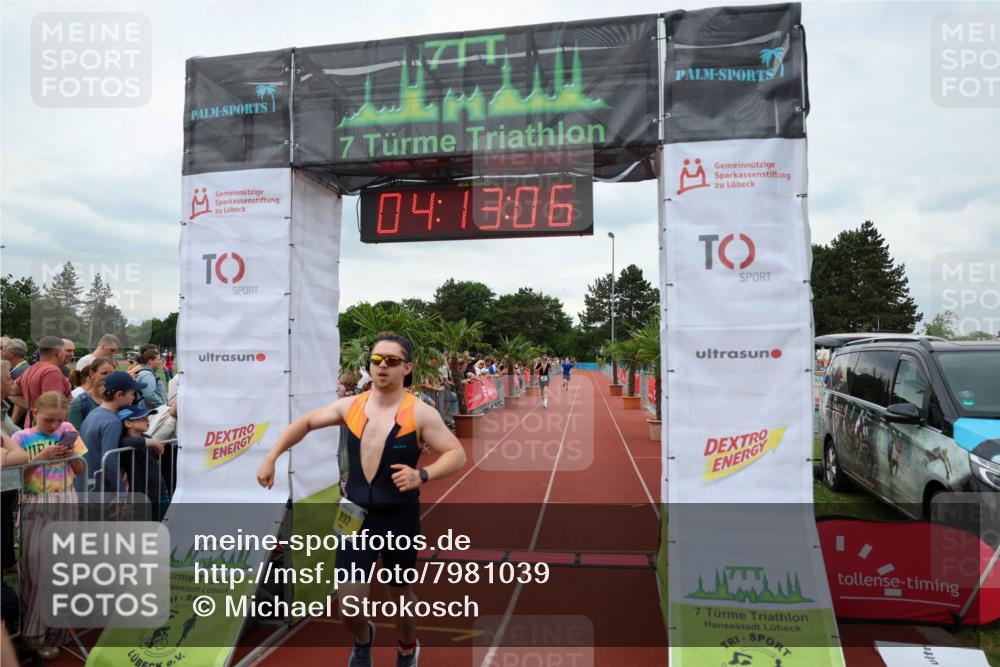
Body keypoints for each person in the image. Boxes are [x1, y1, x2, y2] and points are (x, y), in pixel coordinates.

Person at [256, 332, 466, 667]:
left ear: (407, 368)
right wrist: (272, 456)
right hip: (355, 514)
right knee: (348, 603)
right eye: (377, 360)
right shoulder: (352, 406)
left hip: (399, 516)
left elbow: (456, 454)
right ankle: (363, 638)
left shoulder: (420, 413)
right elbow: (307, 421)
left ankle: (408, 647)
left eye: (392, 361)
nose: (383, 366)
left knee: (399, 596)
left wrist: (421, 475)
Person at [11, 391, 87, 660]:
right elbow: (15, 476)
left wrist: (70, 453)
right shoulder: (20, 437)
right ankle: (33, 633)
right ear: (34, 410)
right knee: (37, 568)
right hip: (35, 501)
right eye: (48, 420)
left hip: (65, 498)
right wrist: (40, 458)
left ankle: (54, 630)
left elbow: (79, 469)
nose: (54, 426)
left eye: (58, 420)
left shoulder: (67, 430)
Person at [80, 371, 152, 492]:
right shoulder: (112, 422)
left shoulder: (94, 413)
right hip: (98, 490)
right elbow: (109, 461)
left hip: (84, 484)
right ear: (119, 395)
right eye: (132, 393)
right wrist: (121, 492)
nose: (133, 398)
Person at [115, 404, 167, 520]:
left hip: (160, 491)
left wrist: (152, 442)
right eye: (142, 419)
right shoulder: (124, 440)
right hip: (141, 494)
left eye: (147, 418)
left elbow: (156, 452)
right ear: (128, 423)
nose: (147, 421)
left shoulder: (147, 437)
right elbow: (126, 442)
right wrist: (154, 442)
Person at [11, 337, 71, 429]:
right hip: (49, 431)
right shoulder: (52, 371)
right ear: (58, 353)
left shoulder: (31, 369)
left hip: (34, 426)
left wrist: (33, 407)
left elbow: (11, 392)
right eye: (65, 351)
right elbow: (53, 408)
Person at [68, 357, 116, 429]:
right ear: (92, 374)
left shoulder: (120, 400)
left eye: (112, 374)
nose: (108, 377)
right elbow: (73, 435)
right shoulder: (79, 402)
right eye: (104, 373)